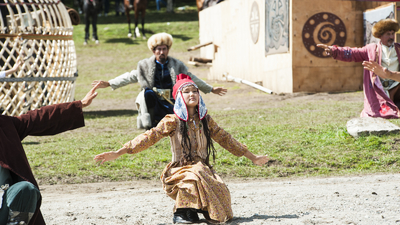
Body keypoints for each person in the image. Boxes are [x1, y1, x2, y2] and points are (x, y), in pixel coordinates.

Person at [94, 74, 268, 224]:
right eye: (187, 92)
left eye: (194, 91)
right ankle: (181, 211)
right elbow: (148, 137)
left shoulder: (206, 120)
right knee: (193, 176)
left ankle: (198, 209)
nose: (192, 94)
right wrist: (119, 152)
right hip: (180, 171)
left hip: (203, 170)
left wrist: (253, 157)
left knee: (222, 199)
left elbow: (226, 139)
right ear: (179, 97)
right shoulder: (171, 121)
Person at [0, 79, 100, 225]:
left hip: (4, 208)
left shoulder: (4, 126)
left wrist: (79, 105)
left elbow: (40, 118)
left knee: (25, 190)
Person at [92, 32, 227, 129]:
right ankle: (151, 122)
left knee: (177, 120)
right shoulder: (144, 66)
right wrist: (110, 83)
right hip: (154, 101)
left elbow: (192, 78)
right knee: (147, 93)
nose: (161, 52)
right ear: (153, 51)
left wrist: (211, 89)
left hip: (172, 101)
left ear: (168, 50)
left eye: (164, 49)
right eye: (159, 49)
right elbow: (130, 76)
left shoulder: (178, 65)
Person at [317, 18, 400, 119]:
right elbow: (352, 53)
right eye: (388, 34)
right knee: (379, 112)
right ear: (380, 36)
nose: (391, 37)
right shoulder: (371, 49)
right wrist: (333, 50)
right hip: (379, 87)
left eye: (393, 34)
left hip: (396, 86)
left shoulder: (398, 49)